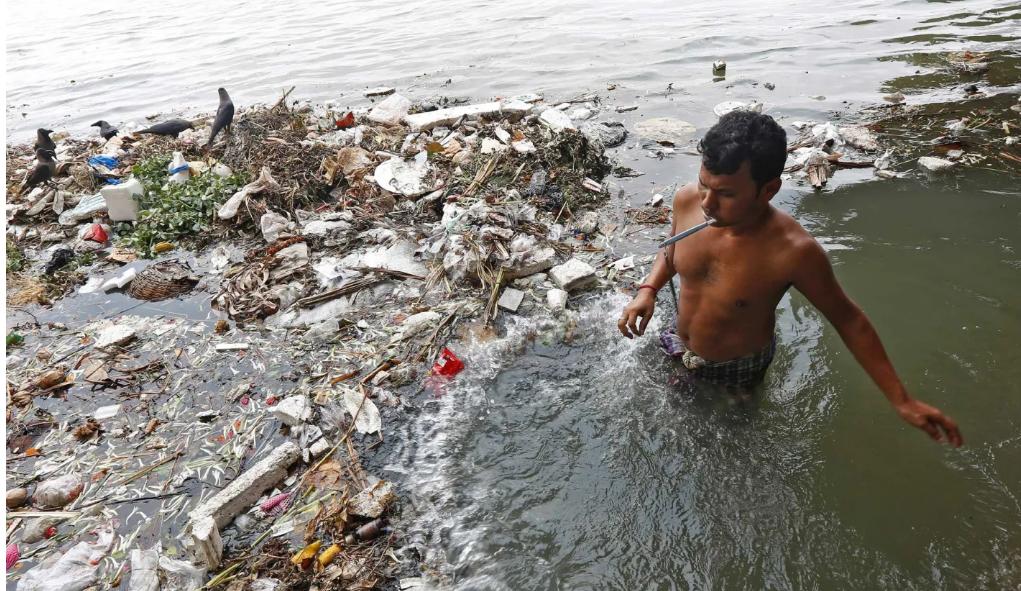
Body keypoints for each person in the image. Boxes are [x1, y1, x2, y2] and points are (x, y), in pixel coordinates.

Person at [618, 111, 962, 446]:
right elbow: (671, 249)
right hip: (679, 343)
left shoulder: (793, 252)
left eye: (726, 194)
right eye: (703, 185)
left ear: (768, 190)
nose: (708, 203)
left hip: (735, 370)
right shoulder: (686, 201)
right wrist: (648, 290)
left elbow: (850, 321)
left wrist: (901, 400)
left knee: (730, 445)